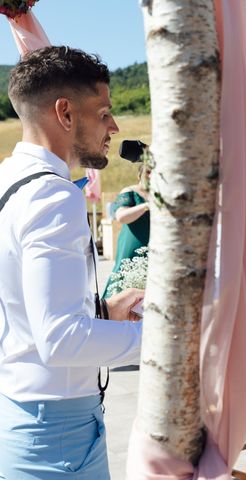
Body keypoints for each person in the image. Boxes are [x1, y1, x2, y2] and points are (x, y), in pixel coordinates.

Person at [0, 46, 144, 479]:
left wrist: (102, 314)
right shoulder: (53, 196)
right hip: (57, 434)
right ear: (65, 113)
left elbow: (22, 307)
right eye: (103, 112)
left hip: (28, 415)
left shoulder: (10, 180)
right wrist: (167, 336)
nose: (114, 126)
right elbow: (61, 339)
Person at [103, 164, 151, 297]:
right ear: (139, 175)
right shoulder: (129, 192)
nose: (151, 176)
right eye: (148, 172)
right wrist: (146, 205)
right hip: (131, 247)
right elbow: (121, 216)